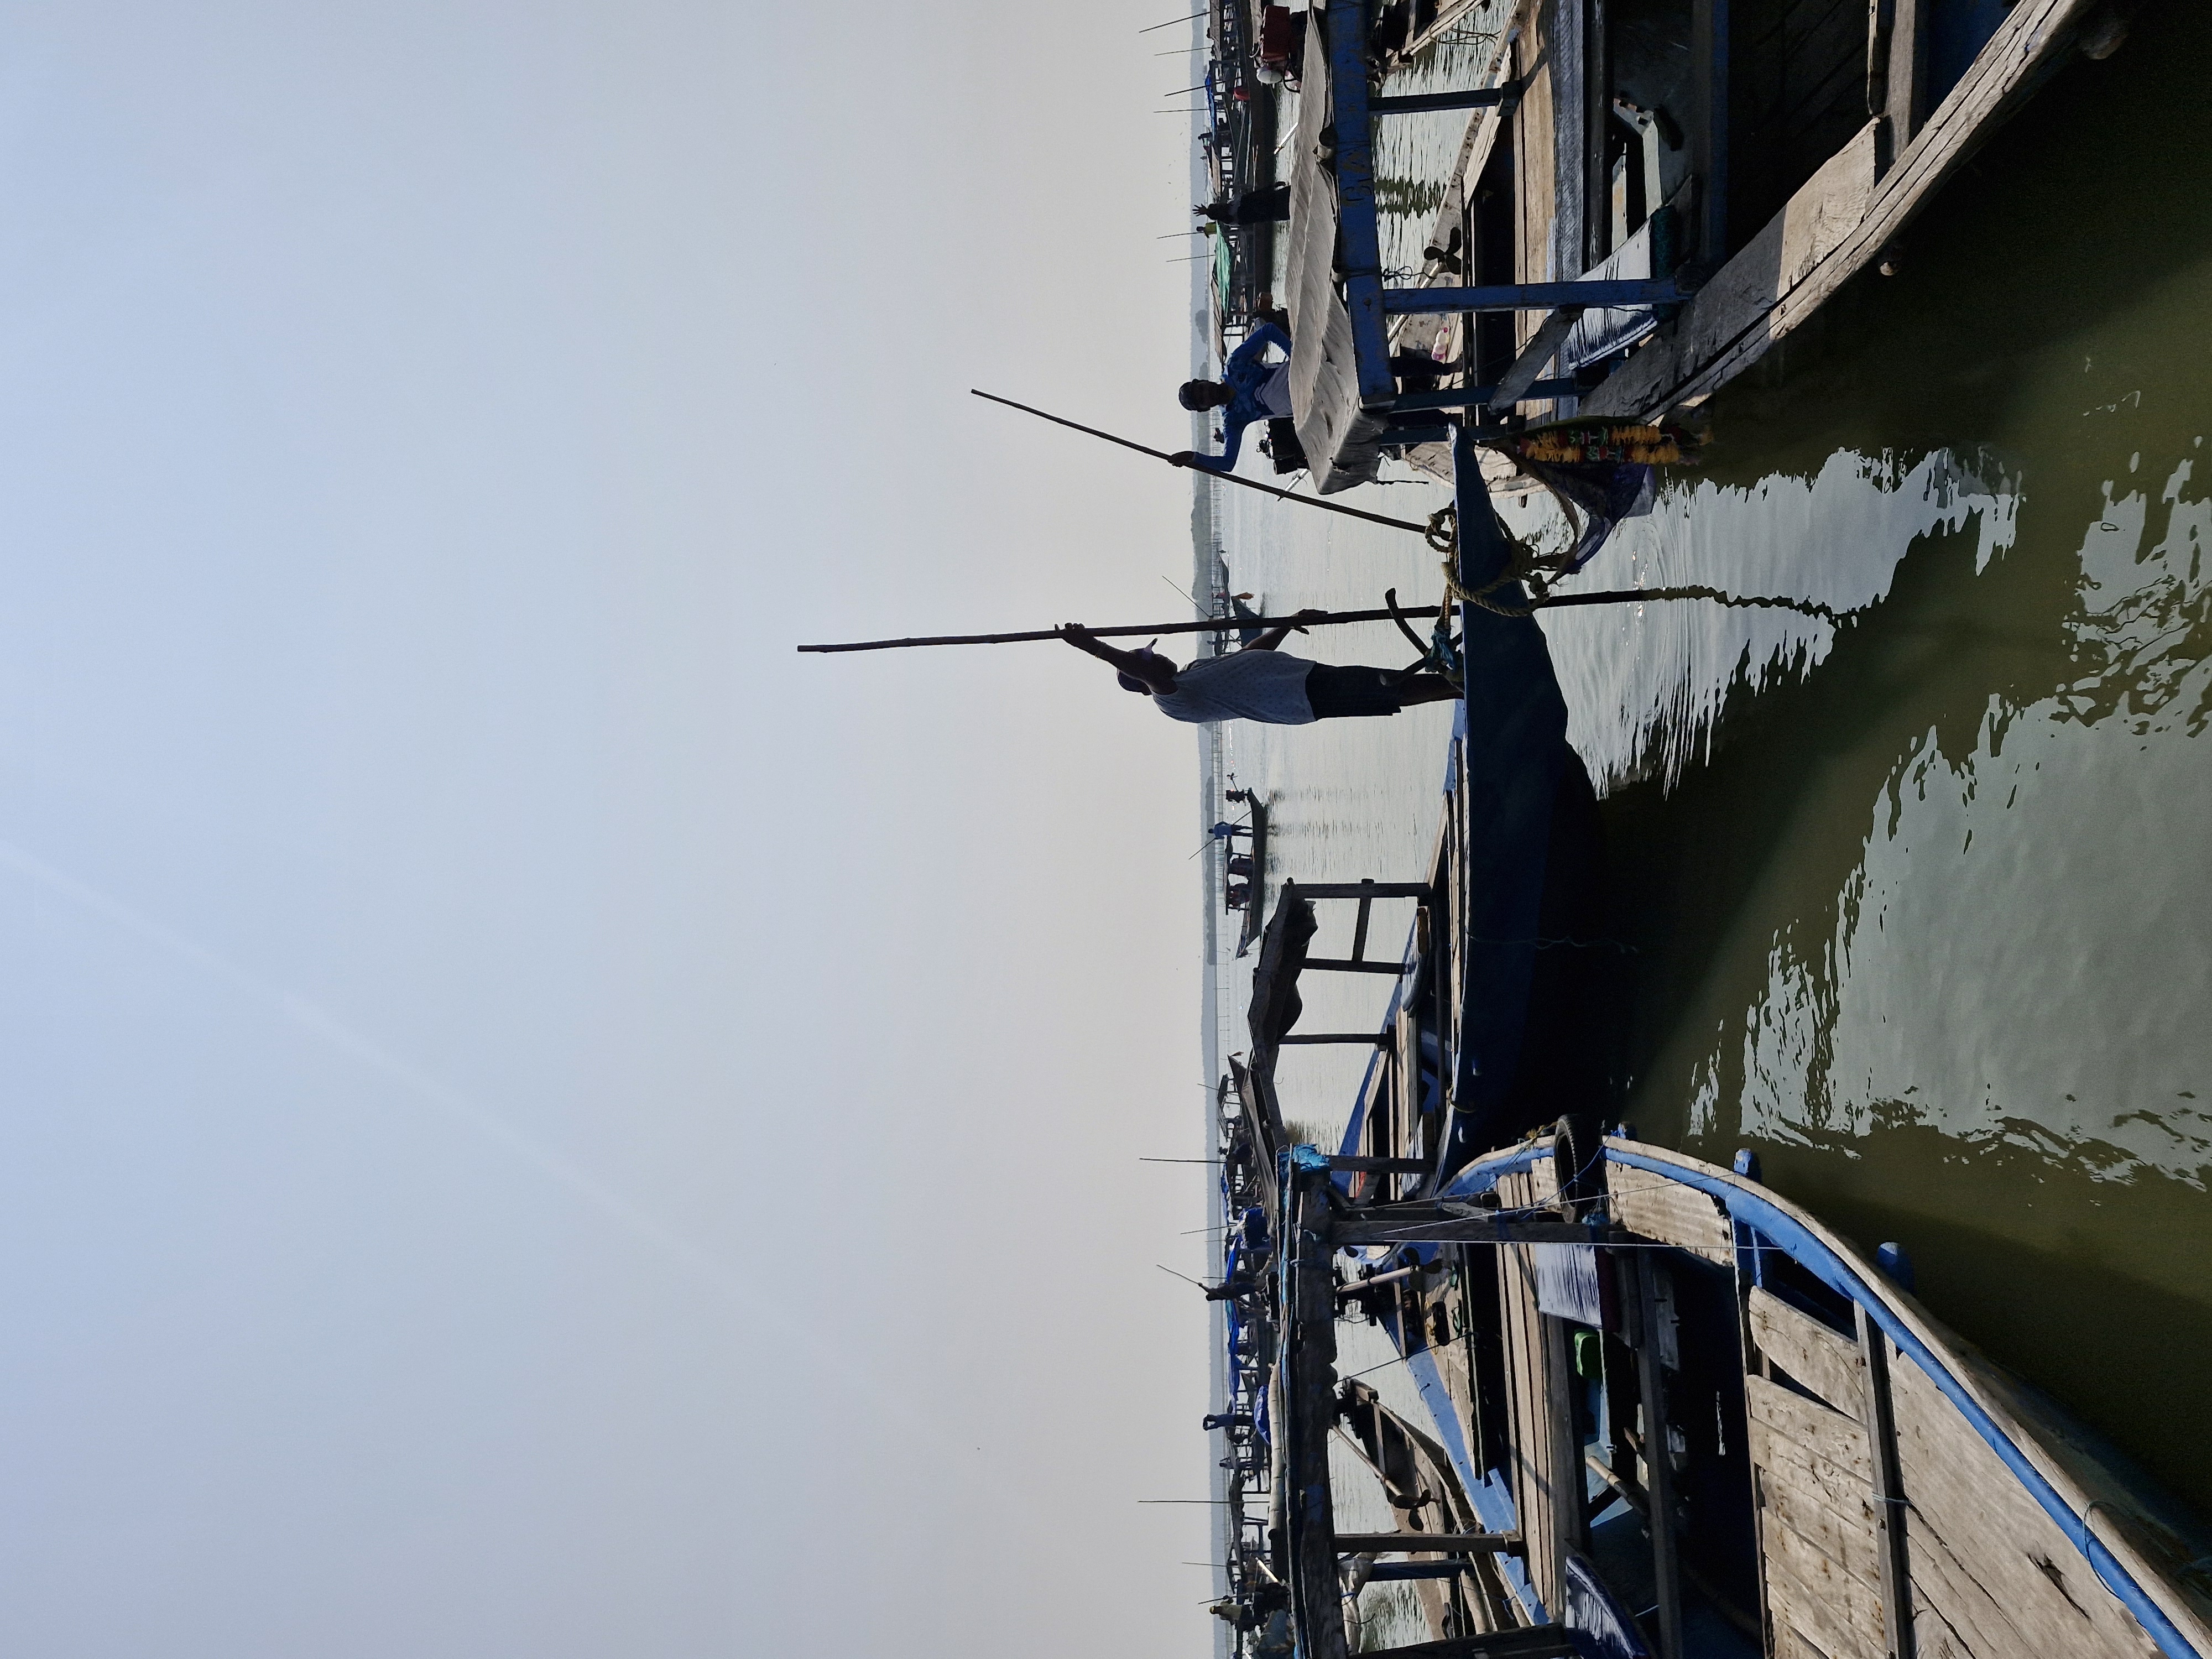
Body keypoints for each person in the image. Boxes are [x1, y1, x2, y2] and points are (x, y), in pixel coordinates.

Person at [1058, 612, 1458, 726]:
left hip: (1303, 677)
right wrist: (1091, 646)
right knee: (1390, 690)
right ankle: (1462, 688)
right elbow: (1142, 671)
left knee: (1387, 682)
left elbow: (1250, 654)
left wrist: (1287, 622)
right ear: (1144, 681)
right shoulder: (1170, 700)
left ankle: (1459, 684)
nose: (1157, 657)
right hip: (1298, 696)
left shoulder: (1192, 670)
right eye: (1148, 660)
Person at [1172, 319, 1291, 475]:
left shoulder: (1235, 364)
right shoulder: (1233, 420)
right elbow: (1228, 463)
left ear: (1204, 381)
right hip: (1306, 403)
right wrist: (1193, 457)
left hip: (1300, 371)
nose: (1206, 393)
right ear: (1204, 408)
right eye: (1202, 399)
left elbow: (1267, 331)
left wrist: (1294, 355)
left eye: (1202, 389)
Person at [1196, 182, 1292, 226]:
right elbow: (1256, 197)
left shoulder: (1234, 204)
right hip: (1276, 208)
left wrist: (1272, 187)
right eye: (1218, 206)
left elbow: (1256, 194)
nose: (1220, 204)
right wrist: (1208, 212)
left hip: (1276, 202)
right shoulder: (1236, 216)